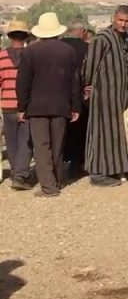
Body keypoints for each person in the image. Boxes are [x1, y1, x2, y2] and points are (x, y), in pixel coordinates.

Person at [15, 12, 81, 197]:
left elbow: (23, 83)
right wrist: (75, 106)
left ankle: (48, 187)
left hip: (36, 107)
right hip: (61, 106)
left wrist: (22, 107)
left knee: (42, 147)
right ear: (57, 31)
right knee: (58, 145)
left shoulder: (30, 52)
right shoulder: (68, 51)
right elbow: (75, 82)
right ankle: (57, 180)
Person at [82, 5, 128, 186]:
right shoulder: (102, 39)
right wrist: (87, 86)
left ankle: (115, 169)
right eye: (121, 20)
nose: (123, 24)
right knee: (101, 132)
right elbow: (89, 66)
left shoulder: (126, 39)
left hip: (121, 97)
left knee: (117, 133)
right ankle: (97, 172)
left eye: (127, 21)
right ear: (114, 18)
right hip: (104, 95)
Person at [0, 20, 33, 190]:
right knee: (26, 141)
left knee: (11, 142)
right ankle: (21, 175)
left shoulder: (1, 56)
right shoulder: (31, 56)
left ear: (10, 36)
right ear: (26, 36)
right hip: (26, 106)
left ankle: (15, 172)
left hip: (7, 105)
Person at [62, 20, 90, 178]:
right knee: (79, 131)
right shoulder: (87, 48)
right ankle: (76, 164)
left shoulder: (58, 46)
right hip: (81, 96)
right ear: (83, 31)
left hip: (58, 96)